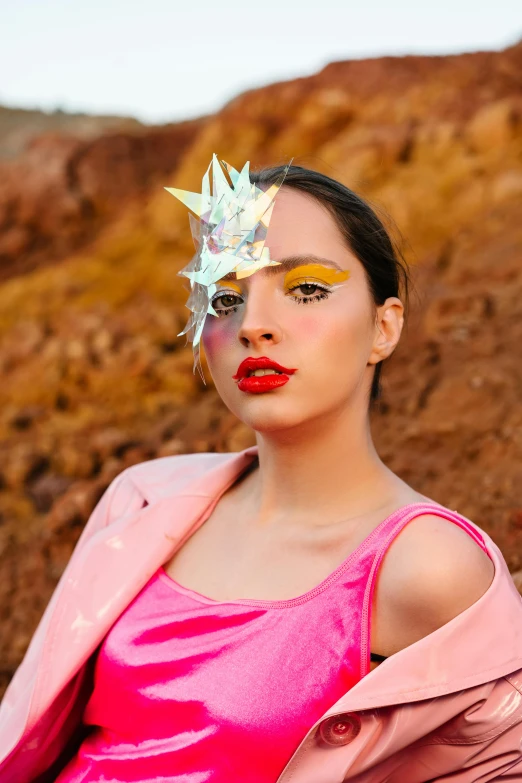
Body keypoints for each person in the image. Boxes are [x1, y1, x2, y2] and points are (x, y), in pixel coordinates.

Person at [1, 160, 522, 783]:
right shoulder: (145, 501)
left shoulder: (426, 567)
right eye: (225, 296)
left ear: (384, 327)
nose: (252, 326)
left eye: (305, 290)